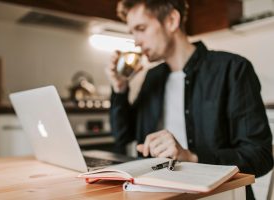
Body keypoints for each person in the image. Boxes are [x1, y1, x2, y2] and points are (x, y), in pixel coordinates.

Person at [106, 0, 273, 199]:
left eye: (141, 28)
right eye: (132, 32)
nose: (136, 41)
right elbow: (122, 136)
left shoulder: (233, 68)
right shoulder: (153, 77)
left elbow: (260, 157)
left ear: (171, 20)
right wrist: (120, 89)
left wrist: (191, 157)